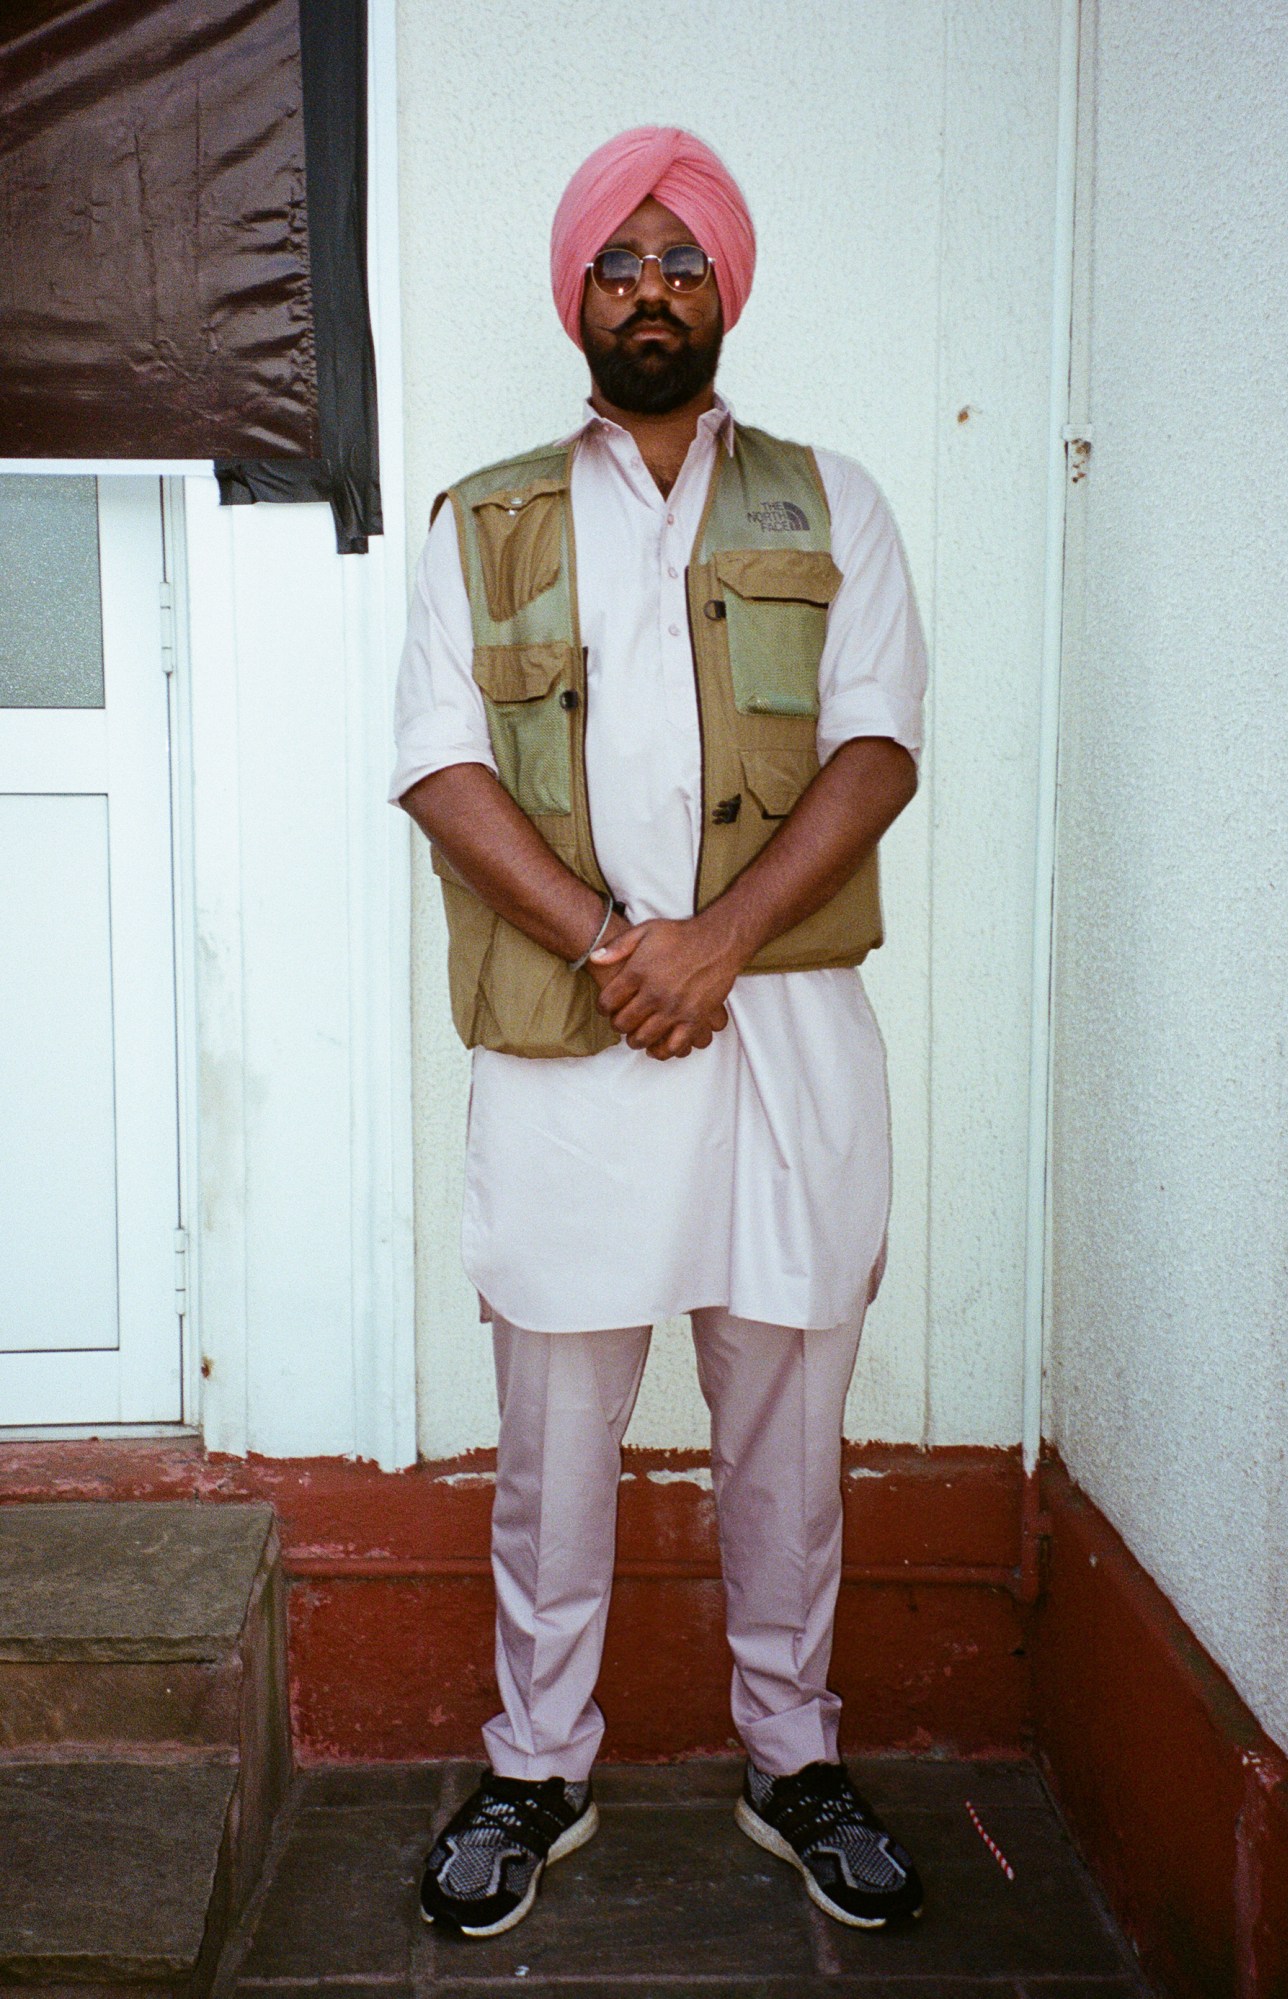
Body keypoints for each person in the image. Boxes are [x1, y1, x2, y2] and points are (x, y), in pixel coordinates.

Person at [391, 125, 928, 1941]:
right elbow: (440, 767)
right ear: (575, 294)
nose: (648, 288)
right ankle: (537, 1764)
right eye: (618, 262)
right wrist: (630, 948)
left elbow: (875, 749)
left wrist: (715, 947)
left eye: (680, 260)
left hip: (781, 1042)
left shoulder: (830, 499)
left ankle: (794, 1756)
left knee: (786, 1418)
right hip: (572, 1043)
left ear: (725, 289)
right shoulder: (486, 518)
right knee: (553, 1427)